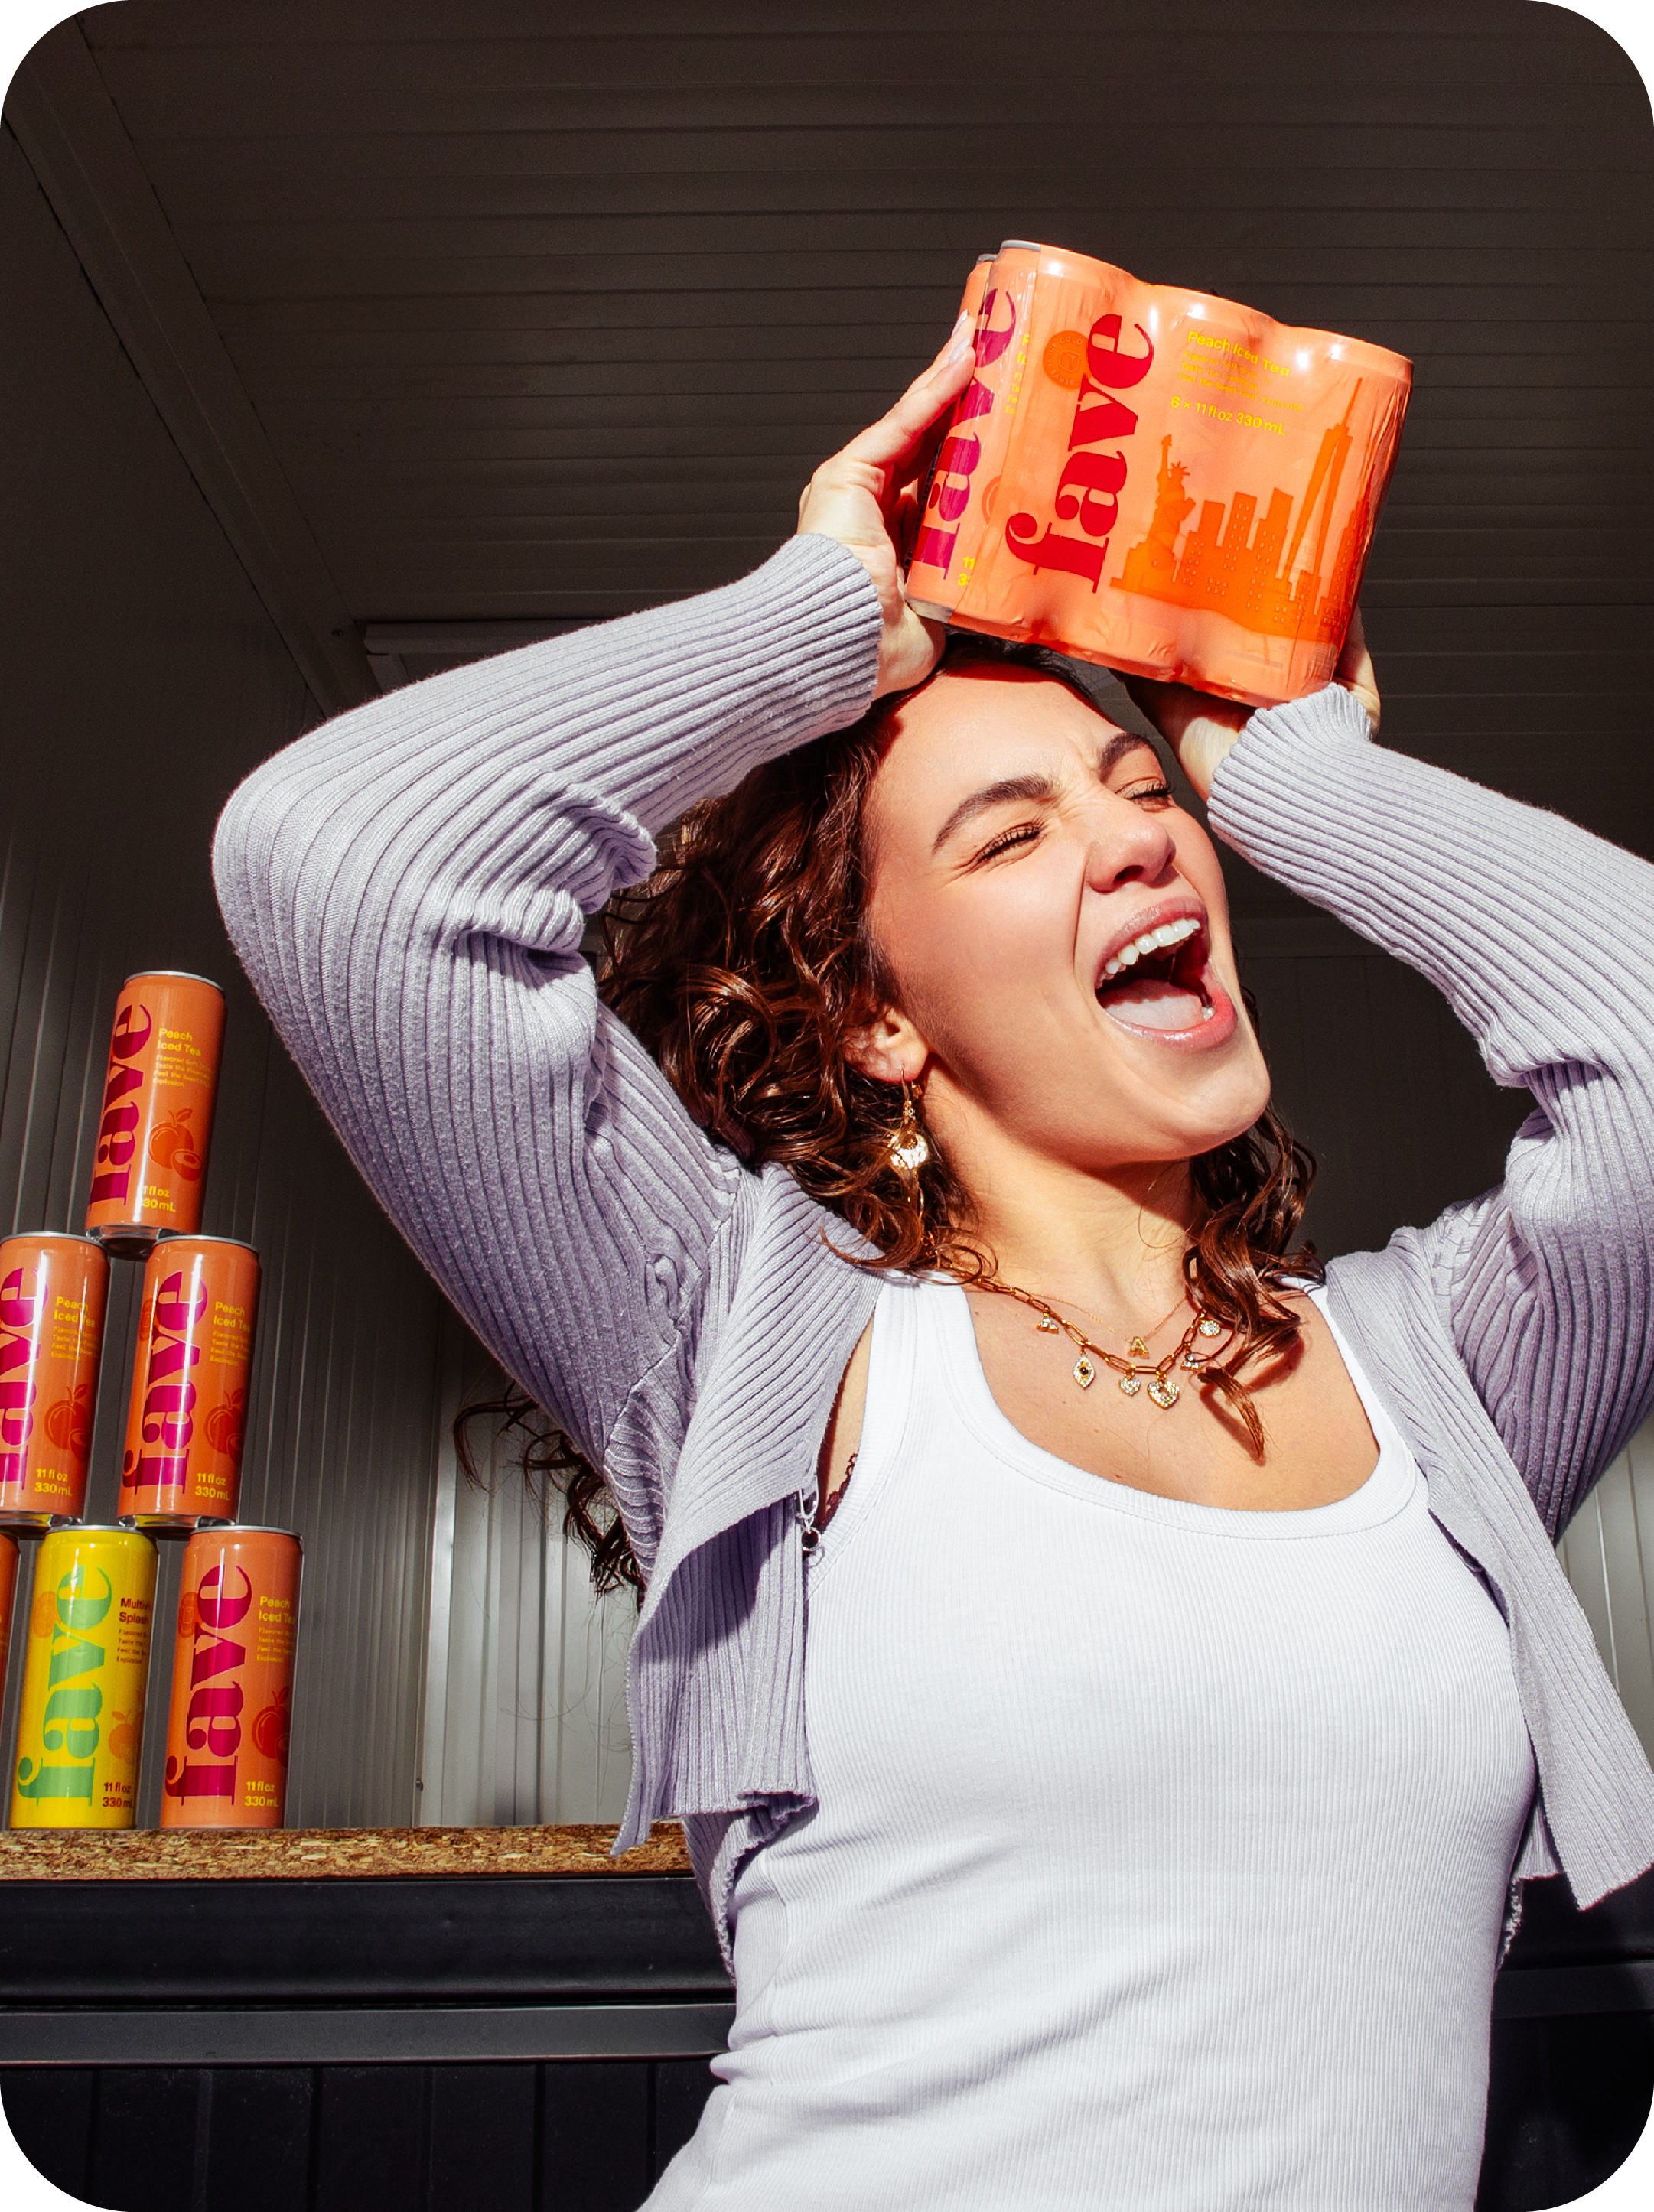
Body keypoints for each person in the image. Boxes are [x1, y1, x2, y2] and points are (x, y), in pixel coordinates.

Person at [214, 316, 1654, 2210]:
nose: (1140, 846)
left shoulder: (1443, 1377)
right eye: (1014, 832)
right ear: (879, 1018)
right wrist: (818, 625)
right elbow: (350, 866)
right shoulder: (754, 1339)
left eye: (1146, 796)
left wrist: (1303, 783)